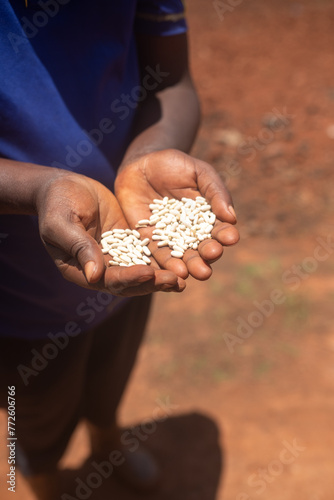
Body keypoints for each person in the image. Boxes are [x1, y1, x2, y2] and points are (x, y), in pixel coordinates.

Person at [0, 1, 239, 499]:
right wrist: (39, 190)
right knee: (36, 412)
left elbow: (173, 82)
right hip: (20, 296)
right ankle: (43, 481)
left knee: (112, 373)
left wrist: (148, 154)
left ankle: (107, 441)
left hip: (133, 253)